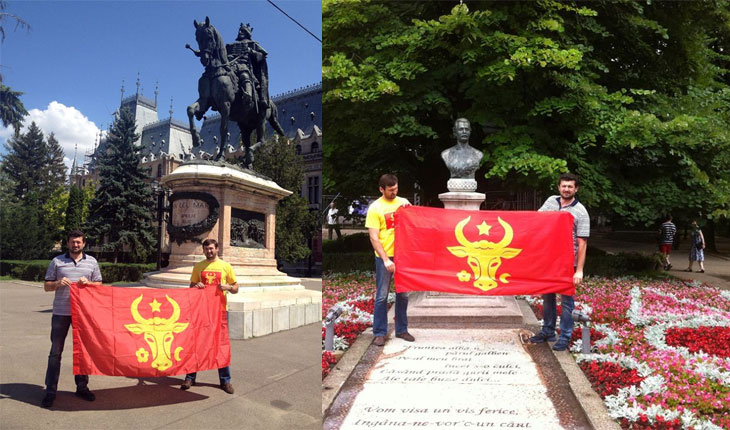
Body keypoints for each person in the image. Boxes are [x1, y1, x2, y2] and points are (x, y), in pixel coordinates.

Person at [41, 230, 103, 408]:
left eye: (78, 242)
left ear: (84, 243)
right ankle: (50, 391)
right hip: (61, 312)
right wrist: (57, 284)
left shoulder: (92, 262)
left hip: (83, 314)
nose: (75, 245)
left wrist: (89, 284)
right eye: (72, 242)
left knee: (82, 352)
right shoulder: (57, 261)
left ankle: (82, 387)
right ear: (67, 243)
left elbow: (99, 284)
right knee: (55, 352)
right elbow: (46, 286)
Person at [529, 173, 589, 352]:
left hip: (567, 263)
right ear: (559, 187)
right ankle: (548, 331)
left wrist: (579, 270)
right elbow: (536, 222)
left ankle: (565, 336)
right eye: (564, 186)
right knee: (547, 298)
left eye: (570, 186)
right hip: (548, 259)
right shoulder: (550, 202)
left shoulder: (581, 212)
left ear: (576, 189)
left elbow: (582, 243)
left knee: (566, 302)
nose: (566, 189)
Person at [181, 238, 238, 394]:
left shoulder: (226, 266)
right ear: (203, 250)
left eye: (211, 248)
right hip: (202, 312)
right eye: (206, 249)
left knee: (221, 346)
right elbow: (191, 286)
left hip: (219, 311)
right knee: (196, 345)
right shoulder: (199, 266)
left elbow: (236, 287)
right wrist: (196, 286)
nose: (209, 251)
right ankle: (190, 377)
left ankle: (225, 381)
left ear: (217, 249)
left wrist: (228, 287)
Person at [365, 174, 414, 346]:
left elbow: (414, 225)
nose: (394, 192)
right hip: (384, 256)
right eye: (391, 190)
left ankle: (402, 330)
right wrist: (386, 259)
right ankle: (379, 333)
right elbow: (374, 238)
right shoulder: (375, 208)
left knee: (404, 295)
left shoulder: (403, 202)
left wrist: (411, 211)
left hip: (403, 255)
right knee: (382, 296)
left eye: (396, 189)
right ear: (381, 189)